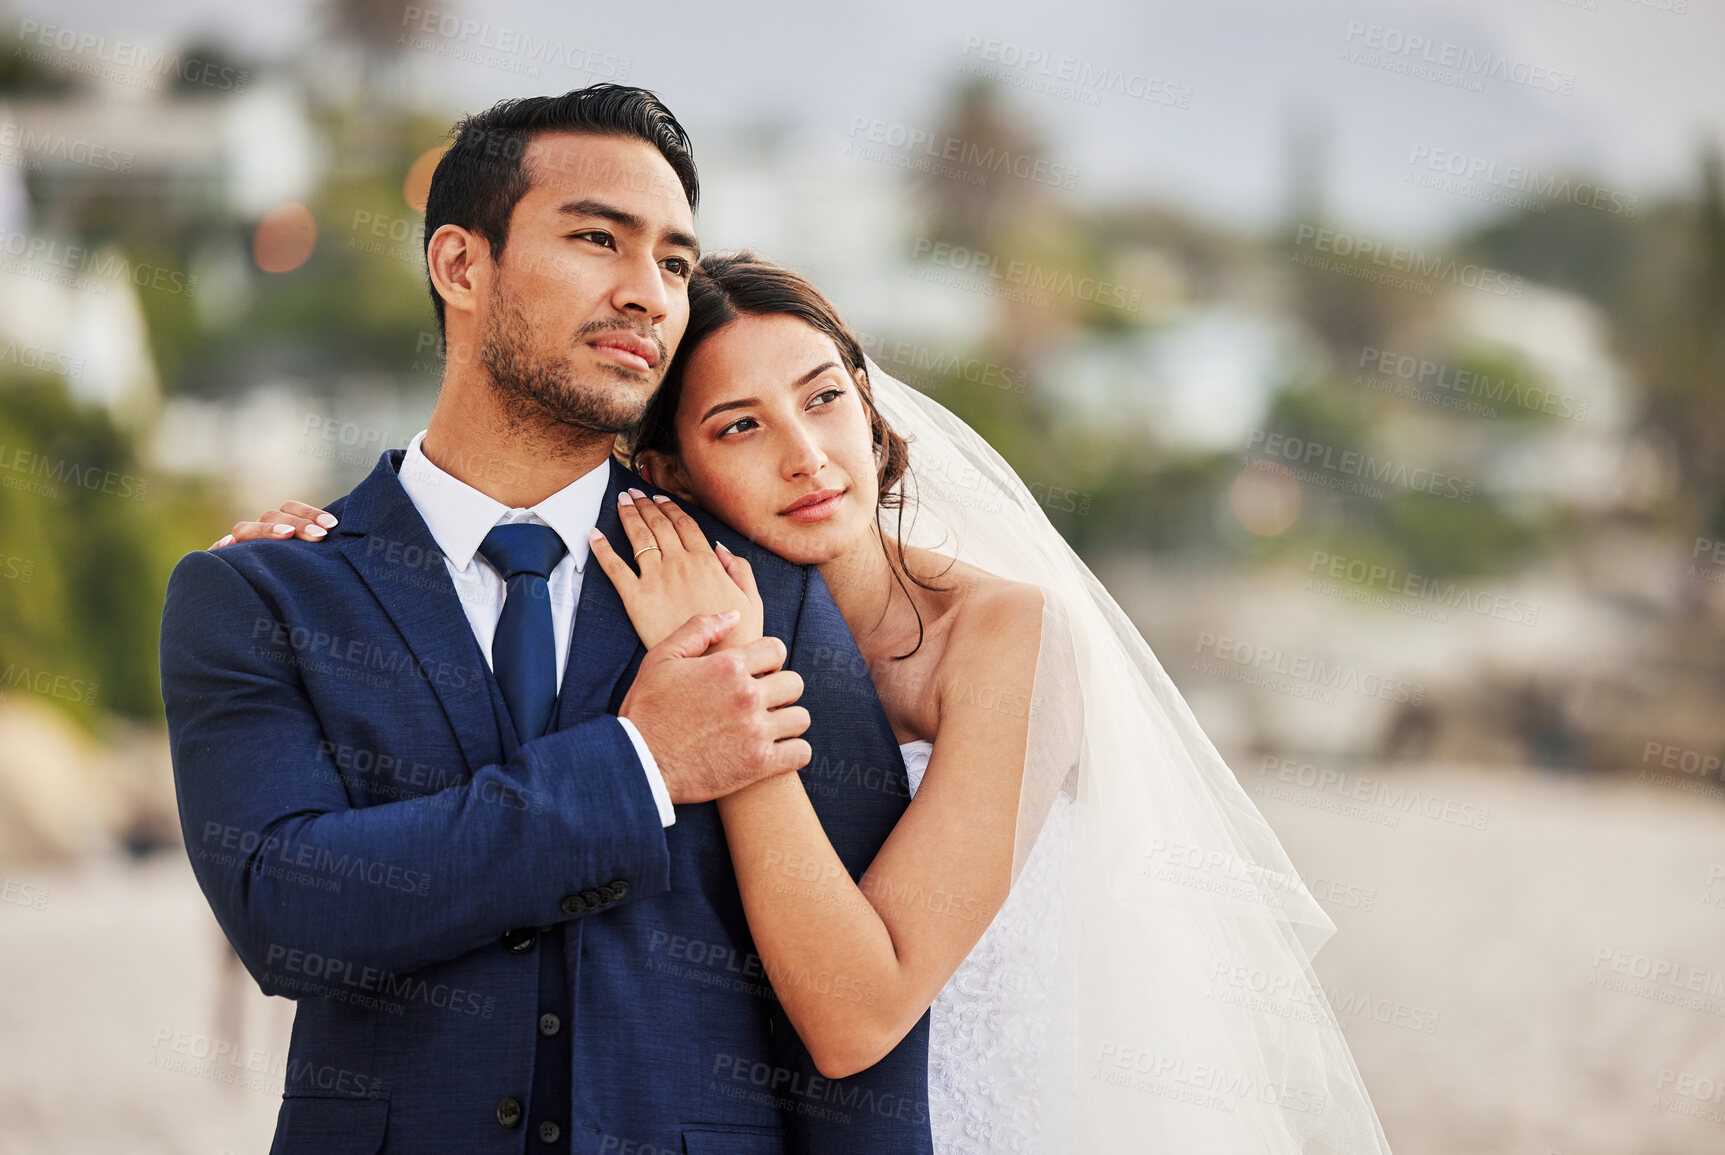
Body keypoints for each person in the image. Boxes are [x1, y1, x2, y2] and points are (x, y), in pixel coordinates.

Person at [226, 253, 1395, 1153]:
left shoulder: (1003, 636)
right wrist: (330, 551)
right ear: (669, 471)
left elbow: (861, 1013)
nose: (806, 453)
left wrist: (734, 694)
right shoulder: (640, 606)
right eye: (741, 424)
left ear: (874, 412)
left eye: (824, 398)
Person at [165, 88, 932, 1155]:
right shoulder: (264, 592)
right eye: (595, 240)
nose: (649, 293)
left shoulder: (766, 592)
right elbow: (289, 916)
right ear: (459, 266)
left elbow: (857, 1047)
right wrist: (639, 765)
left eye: (673, 261)